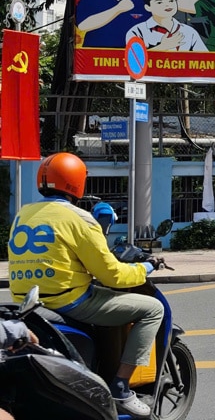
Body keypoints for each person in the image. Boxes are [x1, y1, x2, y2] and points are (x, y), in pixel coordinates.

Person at [7, 153, 163, 418]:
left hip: (28, 303)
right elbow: (111, 275)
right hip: (69, 300)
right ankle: (121, 388)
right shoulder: (79, 218)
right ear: (76, 182)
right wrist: (145, 268)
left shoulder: (24, 213)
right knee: (153, 309)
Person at [126, 0, 208, 52]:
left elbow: (205, 59)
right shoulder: (137, 31)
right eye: (159, 2)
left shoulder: (189, 31)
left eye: (171, 1)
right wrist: (162, 47)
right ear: (148, 7)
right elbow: (133, 61)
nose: (167, 5)